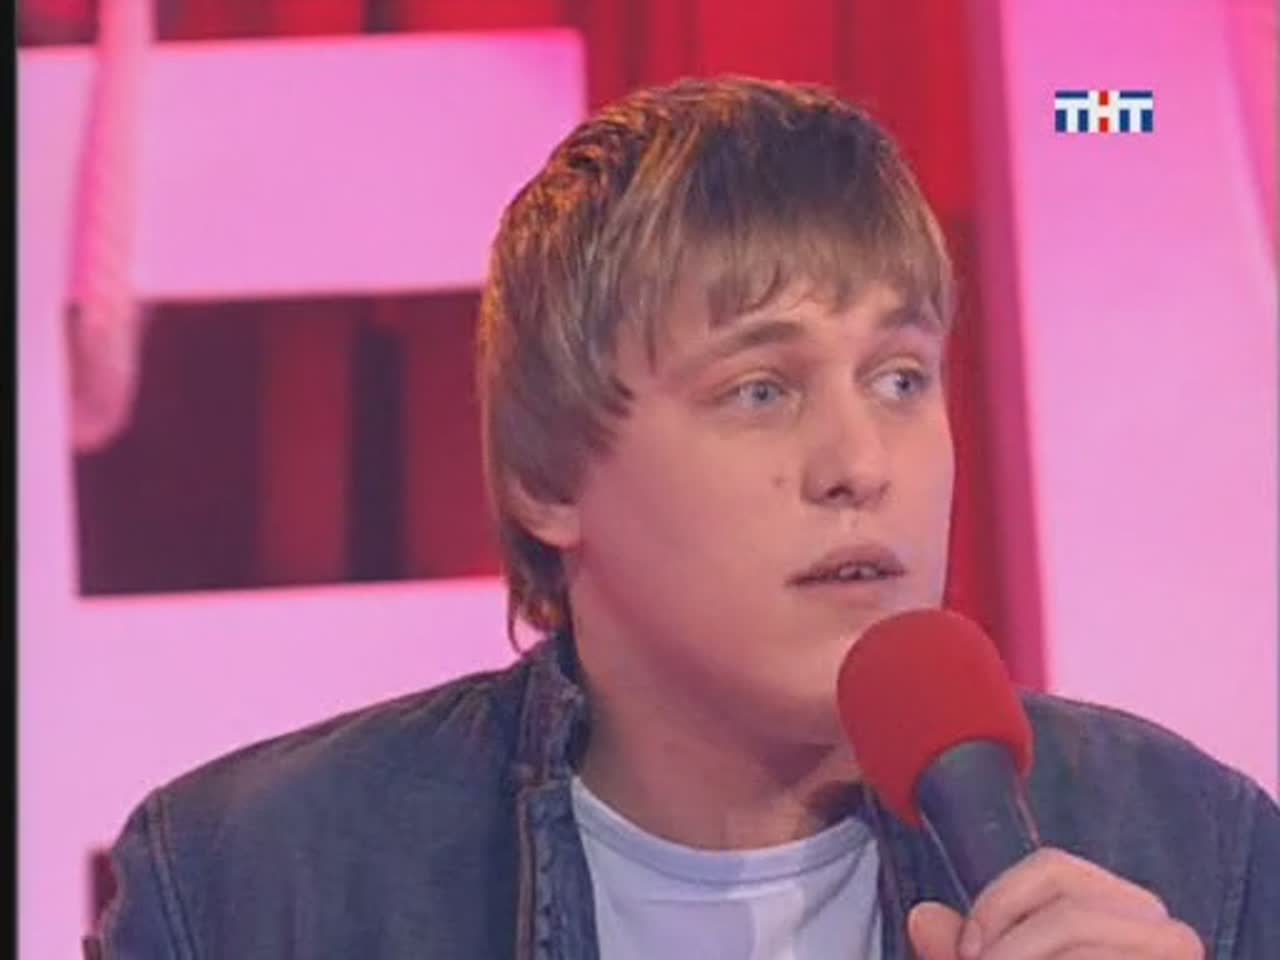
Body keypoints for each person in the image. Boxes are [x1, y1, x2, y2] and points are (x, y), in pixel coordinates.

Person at [88, 76, 1278, 960]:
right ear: (550, 478)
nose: (859, 464)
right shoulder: (252, 888)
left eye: (898, 379)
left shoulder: (1188, 850)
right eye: (759, 390)